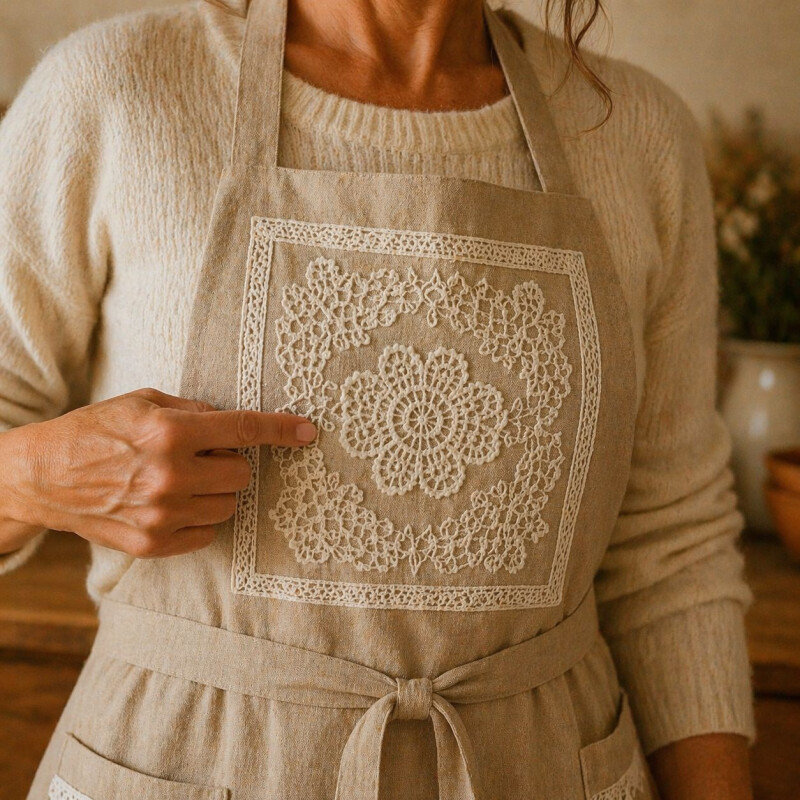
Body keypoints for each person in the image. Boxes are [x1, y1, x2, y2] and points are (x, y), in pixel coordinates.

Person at [0, 0, 756, 798]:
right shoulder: (117, 88)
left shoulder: (635, 133)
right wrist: (32, 476)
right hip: (180, 763)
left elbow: (675, 547)